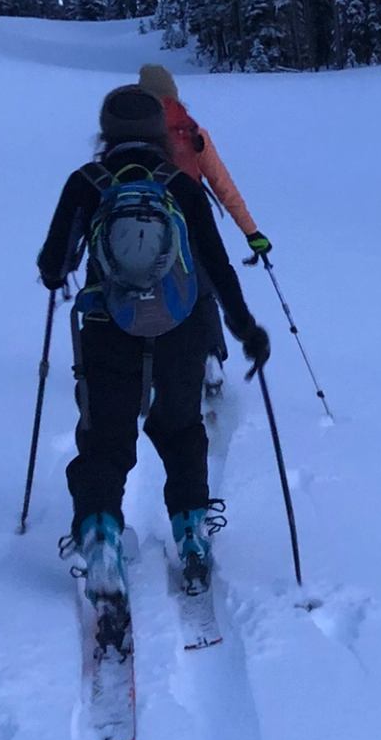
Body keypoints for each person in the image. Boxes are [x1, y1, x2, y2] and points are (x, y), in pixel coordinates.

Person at [36, 85, 270, 596]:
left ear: (107, 133)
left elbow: (53, 265)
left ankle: (100, 539)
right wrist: (245, 328)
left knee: (105, 437)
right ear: (159, 134)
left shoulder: (86, 181)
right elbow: (215, 264)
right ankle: (190, 533)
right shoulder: (180, 185)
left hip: (106, 328)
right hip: (181, 327)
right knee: (181, 427)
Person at [137, 63, 271, 395]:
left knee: (145, 283)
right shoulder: (193, 132)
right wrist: (251, 231)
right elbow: (223, 185)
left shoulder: (130, 133)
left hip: (143, 225)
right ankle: (211, 354)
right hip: (191, 217)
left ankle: (146, 357)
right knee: (203, 285)